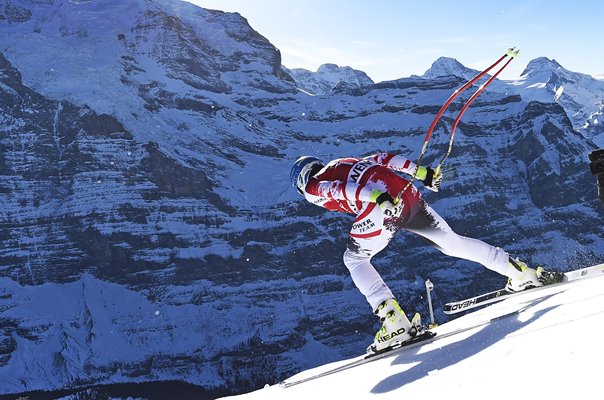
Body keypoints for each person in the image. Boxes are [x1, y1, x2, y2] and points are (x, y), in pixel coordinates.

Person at [290, 152, 555, 353]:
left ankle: (393, 321)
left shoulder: (313, 187)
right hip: (409, 196)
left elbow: (338, 190)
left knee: (355, 258)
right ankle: (518, 272)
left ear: (302, 180)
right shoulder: (344, 162)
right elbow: (386, 159)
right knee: (452, 244)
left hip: (381, 207)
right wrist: (424, 173)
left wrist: (376, 198)